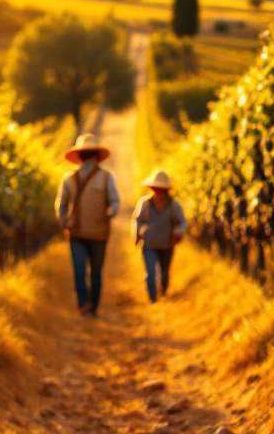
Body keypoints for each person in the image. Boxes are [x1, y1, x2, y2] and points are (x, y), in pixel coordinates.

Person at [56, 134, 121, 315]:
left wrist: (111, 212)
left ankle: (93, 307)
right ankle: (83, 304)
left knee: (96, 273)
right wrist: (64, 222)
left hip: (99, 233)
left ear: (95, 156)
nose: (88, 159)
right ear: (80, 157)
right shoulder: (69, 179)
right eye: (85, 155)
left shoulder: (107, 178)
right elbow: (61, 204)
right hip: (76, 233)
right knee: (78, 270)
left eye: (90, 154)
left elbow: (114, 201)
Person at [131, 169, 186, 302]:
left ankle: (163, 291)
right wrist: (137, 235)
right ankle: (153, 299)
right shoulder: (145, 203)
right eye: (156, 188)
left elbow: (183, 222)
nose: (159, 191)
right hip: (149, 244)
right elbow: (137, 220)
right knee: (150, 273)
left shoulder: (174, 205)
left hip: (167, 244)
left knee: (164, 273)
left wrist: (178, 231)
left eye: (162, 188)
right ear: (152, 188)